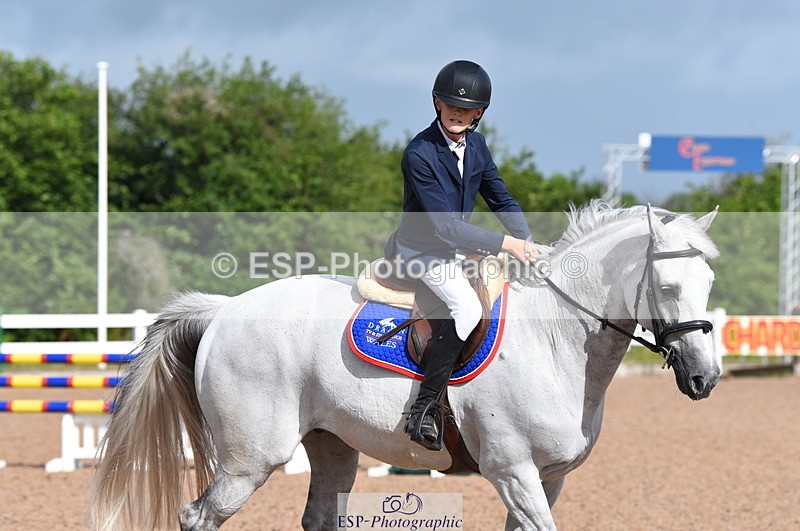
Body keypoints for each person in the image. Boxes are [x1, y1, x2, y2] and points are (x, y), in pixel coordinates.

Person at [384, 60, 537, 450]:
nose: (458, 113)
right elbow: (445, 226)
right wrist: (507, 245)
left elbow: (500, 199)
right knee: (467, 310)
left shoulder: (478, 145)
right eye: (450, 104)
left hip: (455, 248)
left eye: (467, 109)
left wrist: (527, 241)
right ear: (437, 103)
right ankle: (423, 409)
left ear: (479, 113)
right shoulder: (419, 153)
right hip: (420, 249)